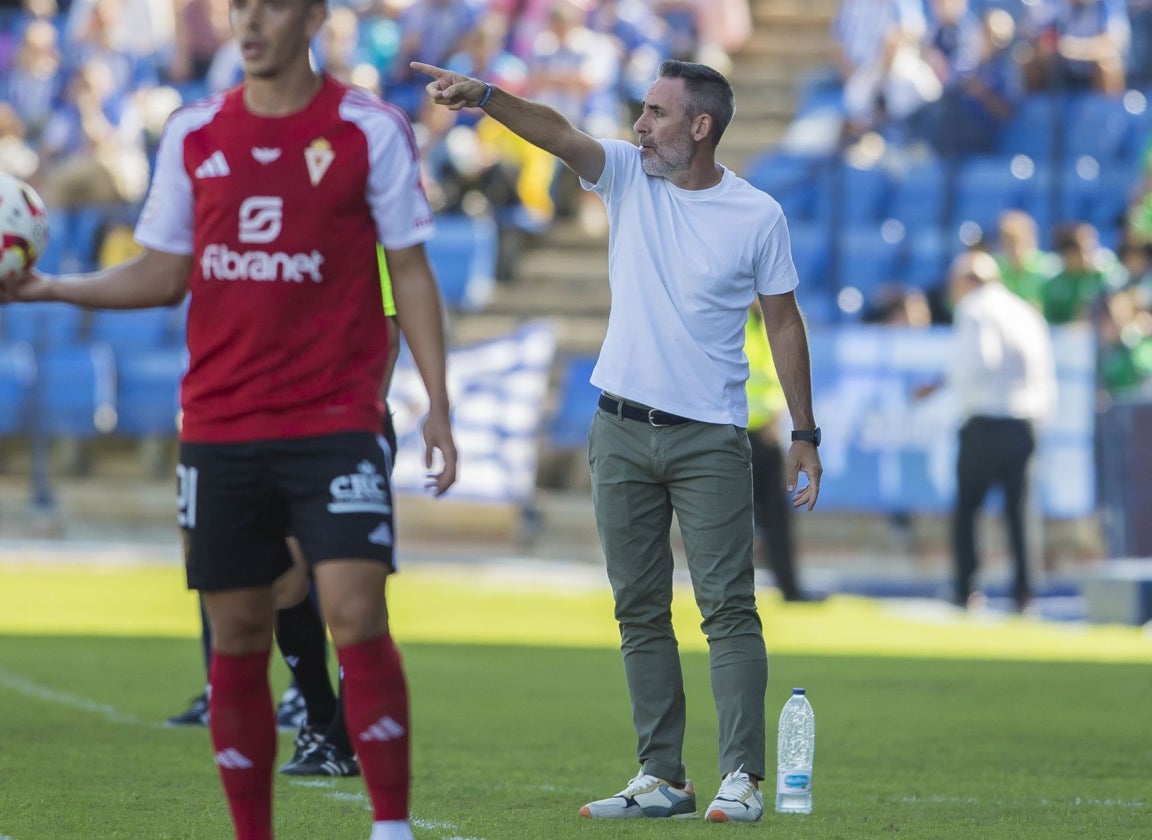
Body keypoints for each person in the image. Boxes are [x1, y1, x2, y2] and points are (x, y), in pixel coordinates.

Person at [1, 0, 458, 837]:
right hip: (221, 424)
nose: (248, 24)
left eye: (271, 6)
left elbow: (413, 274)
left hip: (334, 417)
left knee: (356, 611)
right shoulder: (192, 133)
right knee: (240, 633)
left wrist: (436, 404)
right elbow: (163, 274)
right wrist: (49, 286)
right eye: (236, 7)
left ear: (314, 16)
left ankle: (390, 825)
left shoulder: (370, 130)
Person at [412, 57, 822, 824]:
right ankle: (662, 776)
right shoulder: (630, 177)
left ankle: (741, 778)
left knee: (727, 609)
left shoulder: (758, 215)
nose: (640, 125)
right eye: (642, 111)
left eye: (657, 113)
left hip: (710, 439)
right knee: (638, 609)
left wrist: (804, 431)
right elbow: (559, 134)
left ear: (700, 127)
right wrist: (489, 98)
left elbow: (785, 323)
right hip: (621, 429)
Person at [943, 250, 1057, 613]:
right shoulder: (1024, 310)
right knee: (1020, 513)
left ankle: (967, 590)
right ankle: (1025, 593)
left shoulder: (975, 308)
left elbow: (980, 360)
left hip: (986, 419)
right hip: (1026, 420)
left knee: (967, 510)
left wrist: (959, 390)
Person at [744, 300, 815, 603]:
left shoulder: (770, 323)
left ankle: (790, 588)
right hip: (737, 433)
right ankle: (736, 593)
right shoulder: (737, 320)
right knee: (736, 522)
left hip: (767, 433)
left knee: (777, 518)